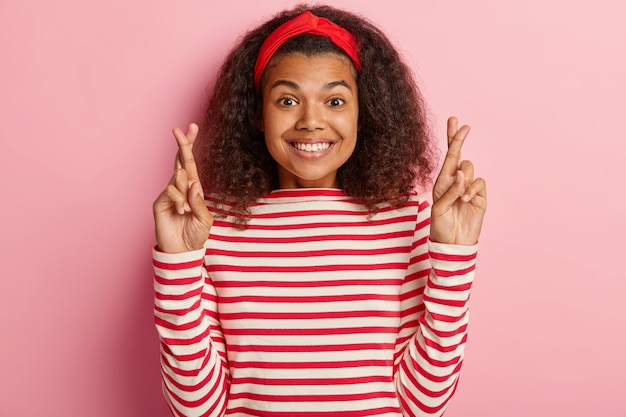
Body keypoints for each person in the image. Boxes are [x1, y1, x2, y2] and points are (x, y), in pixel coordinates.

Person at [152, 4, 486, 417]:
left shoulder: (405, 217)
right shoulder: (208, 223)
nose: (312, 121)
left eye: (335, 100)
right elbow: (196, 408)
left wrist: (452, 257)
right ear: (257, 113)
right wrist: (177, 261)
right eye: (288, 99)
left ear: (364, 113)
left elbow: (423, 404)